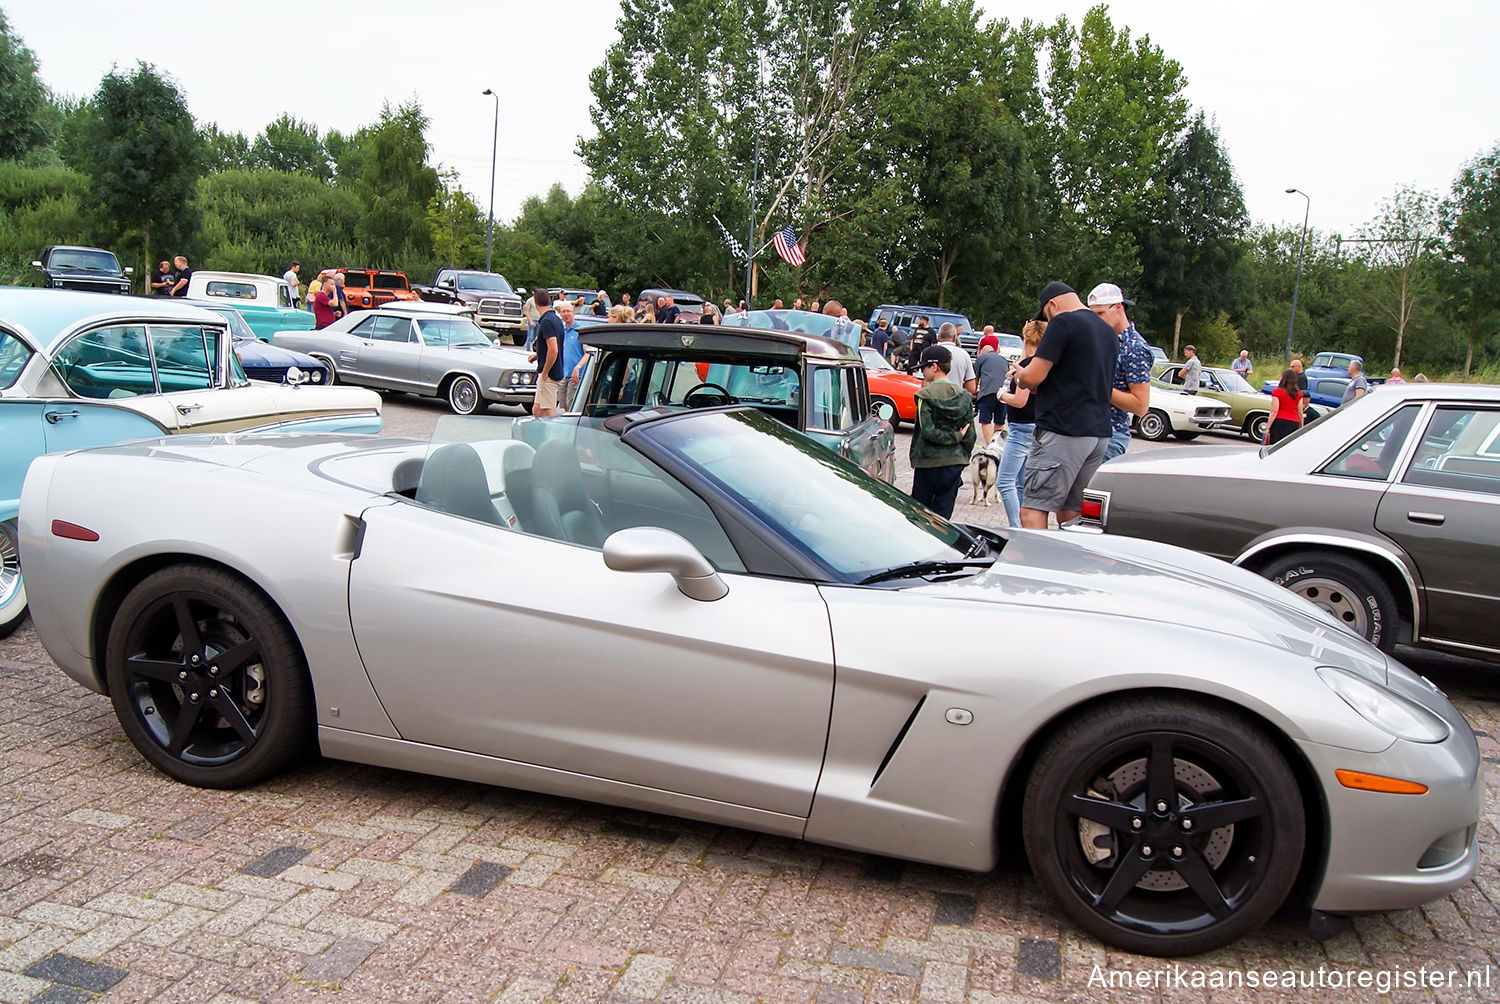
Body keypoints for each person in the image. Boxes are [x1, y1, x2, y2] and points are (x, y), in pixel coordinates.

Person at [1012, 281, 1115, 529]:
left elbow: (1034, 376)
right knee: (1072, 514)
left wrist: (1020, 376)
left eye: (1046, 315)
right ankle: (1070, 566)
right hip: (1097, 433)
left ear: (1053, 304)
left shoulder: (1063, 322)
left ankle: (1038, 567)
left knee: (1032, 510)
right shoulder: (1107, 330)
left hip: (1062, 430)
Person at [908, 345, 975, 520]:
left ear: (934, 367)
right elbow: (971, 435)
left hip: (927, 463)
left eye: (923, 367)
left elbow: (928, 432)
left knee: (920, 514)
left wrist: (956, 436)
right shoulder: (964, 396)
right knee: (943, 518)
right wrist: (962, 453)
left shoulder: (924, 396)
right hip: (954, 462)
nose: (921, 371)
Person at [1087, 283, 1152, 461]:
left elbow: (1140, 405)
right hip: (1088, 430)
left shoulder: (1135, 347)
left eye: (1100, 313)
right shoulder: (1101, 338)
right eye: (1092, 314)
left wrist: (1097, 386)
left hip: (1111, 434)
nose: (1096, 320)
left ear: (1118, 307)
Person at [996, 320, 1043, 528]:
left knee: (1004, 482)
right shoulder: (1040, 366)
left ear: (1025, 339)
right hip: (1034, 426)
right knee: (1021, 483)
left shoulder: (1026, 366)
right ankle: (1023, 525)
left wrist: (1002, 395)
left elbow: (1020, 400)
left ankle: (1016, 527)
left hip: (1021, 428)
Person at [528, 288, 565, 416]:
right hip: (552, 371)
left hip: (549, 375)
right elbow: (561, 345)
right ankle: (536, 435)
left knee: (547, 411)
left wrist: (545, 372)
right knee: (537, 410)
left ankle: (553, 435)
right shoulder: (556, 319)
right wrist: (539, 355)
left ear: (535, 302)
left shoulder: (547, 322)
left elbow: (554, 350)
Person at [973, 333, 1009, 445]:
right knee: (999, 421)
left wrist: (974, 392)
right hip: (1003, 394)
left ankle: (990, 445)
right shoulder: (1004, 360)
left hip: (987, 392)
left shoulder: (981, 359)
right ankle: (998, 444)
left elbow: (975, 378)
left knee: (986, 420)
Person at [1264, 368, 1306, 445]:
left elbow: (1274, 411)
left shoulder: (1277, 392)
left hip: (1279, 421)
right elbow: (1300, 412)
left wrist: (1268, 427)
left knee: (1275, 446)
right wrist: (1301, 426)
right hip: (1293, 422)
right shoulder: (1299, 394)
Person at [934, 322, 977, 395]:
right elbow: (971, 388)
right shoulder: (964, 355)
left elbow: (924, 384)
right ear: (954, 337)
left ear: (938, 337)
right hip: (956, 400)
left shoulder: (929, 353)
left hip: (934, 399)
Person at [558, 301, 584, 409]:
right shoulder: (562, 331)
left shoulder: (580, 331)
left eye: (568, 311)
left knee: (571, 406)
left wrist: (578, 367)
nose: (566, 314)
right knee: (564, 406)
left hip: (576, 376)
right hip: (564, 374)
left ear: (573, 313)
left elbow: (588, 354)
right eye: (563, 312)